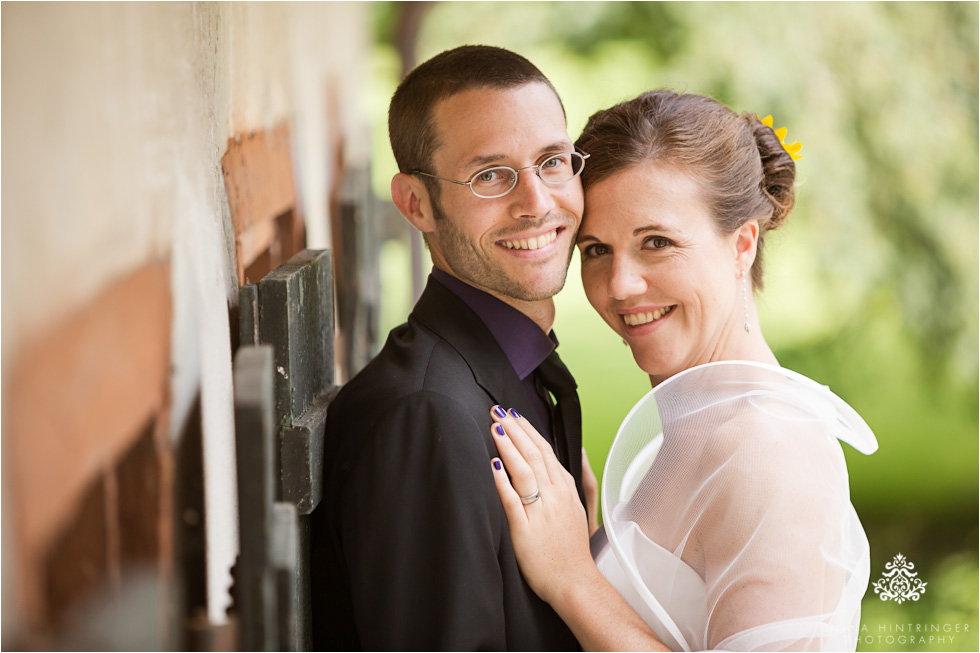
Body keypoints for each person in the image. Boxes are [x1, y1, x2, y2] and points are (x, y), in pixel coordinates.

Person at [487, 90, 878, 651]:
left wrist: (572, 577)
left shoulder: (767, 450)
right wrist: (595, 539)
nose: (620, 285)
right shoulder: (689, 428)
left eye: (657, 242)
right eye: (596, 250)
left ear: (742, 244)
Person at [310, 45, 596, 650]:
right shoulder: (424, 415)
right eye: (490, 175)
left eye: (551, 162)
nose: (538, 203)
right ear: (416, 203)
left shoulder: (517, 371)